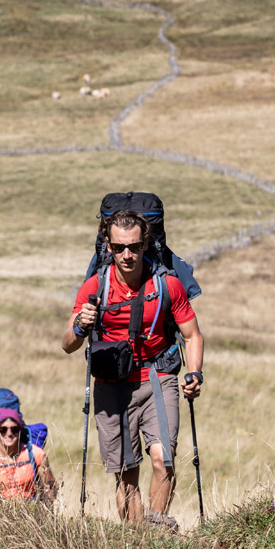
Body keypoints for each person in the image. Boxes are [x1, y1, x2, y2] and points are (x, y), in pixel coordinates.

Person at [62, 210, 204, 525]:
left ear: (145, 245)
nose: (127, 255)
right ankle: (136, 540)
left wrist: (194, 373)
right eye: (118, 247)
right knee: (126, 473)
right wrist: (80, 326)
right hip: (111, 384)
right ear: (107, 246)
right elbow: (67, 344)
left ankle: (156, 532)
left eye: (135, 247)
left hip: (158, 377)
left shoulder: (168, 285)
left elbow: (192, 336)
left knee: (163, 460)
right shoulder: (94, 287)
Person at [0, 407, 58, 503]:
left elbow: (51, 488)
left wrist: (50, 494)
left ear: (20, 431)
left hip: (31, 513)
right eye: (3, 429)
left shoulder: (36, 454)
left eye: (14, 429)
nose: (9, 433)